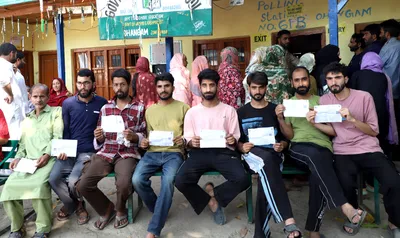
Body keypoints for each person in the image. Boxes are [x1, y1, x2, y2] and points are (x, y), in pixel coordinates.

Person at [276, 66, 366, 237]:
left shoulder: (324, 101)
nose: (301, 83)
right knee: (319, 160)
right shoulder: (289, 104)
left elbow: (334, 131)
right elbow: (290, 135)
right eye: (297, 80)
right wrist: (281, 119)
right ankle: (345, 207)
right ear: (291, 83)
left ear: (309, 80)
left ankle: (313, 230)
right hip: (299, 146)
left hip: (324, 146)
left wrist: (316, 120)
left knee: (319, 171)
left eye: (304, 79)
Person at [318, 62, 400, 237]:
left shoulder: (364, 97)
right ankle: (354, 215)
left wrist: (353, 119)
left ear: (346, 78)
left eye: (337, 77)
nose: (334, 82)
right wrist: (314, 122)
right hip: (342, 150)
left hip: (368, 147)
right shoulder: (324, 101)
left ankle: (395, 221)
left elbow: (373, 130)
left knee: (393, 181)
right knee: (344, 182)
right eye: (330, 79)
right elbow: (333, 131)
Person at [175, 69, 250, 225]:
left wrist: (232, 140)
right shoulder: (192, 112)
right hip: (199, 152)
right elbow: (188, 136)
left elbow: (235, 135)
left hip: (224, 152)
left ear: (217, 86)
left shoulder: (229, 110)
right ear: (200, 88)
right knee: (180, 180)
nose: (208, 89)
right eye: (204, 85)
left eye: (211, 85)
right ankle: (211, 202)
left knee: (243, 179)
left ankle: (213, 193)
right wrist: (190, 142)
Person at [76, 68, 146, 230]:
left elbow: (144, 134)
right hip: (107, 151)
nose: (119, 88)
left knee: (123, 183)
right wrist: (98, 136)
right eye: (116, 85)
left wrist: (135, 137)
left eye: (122, 84)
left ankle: (121, 209)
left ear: (129, 85)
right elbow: (99, 138)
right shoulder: (105, 108)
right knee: (83, 184)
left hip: (127, 153)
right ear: (112, 86)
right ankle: (106, 208)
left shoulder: (139, 108)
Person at [237, 72, 302, 238]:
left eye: (260, 87)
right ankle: (288, 220)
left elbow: (289, 137)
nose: (257, 91)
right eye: (254, 87)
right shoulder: (241, 112)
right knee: (266, 163)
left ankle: (261, 233)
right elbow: (236, 142)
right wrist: (241, 147)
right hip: (252, 155)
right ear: (249, 88)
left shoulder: (275, 109)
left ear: (266, 88)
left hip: (274, 155)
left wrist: (282, 143)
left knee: (266, 175)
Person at [0, 83, 63, 238]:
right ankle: (17, 227)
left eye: (42, 96)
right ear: (30, 97)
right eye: (35, 96)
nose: (38, 100)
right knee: (9, 187)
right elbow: (22, 144)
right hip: (27, 162)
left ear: (48, 97)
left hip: (48, 160)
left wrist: (47, 155)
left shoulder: (55, 112)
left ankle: (43, 228)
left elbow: (57, 137)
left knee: (39, 186)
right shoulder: (27, 119)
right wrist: (17, 157)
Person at [132, 72, 190, 238]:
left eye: (166, 86)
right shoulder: (150, 111)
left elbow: (189, 134)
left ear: (172, 87)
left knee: (168, 180)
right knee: (137, 180)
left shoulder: (184, 108)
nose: (163, 90)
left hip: (174, 153)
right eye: (160, 86)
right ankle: (160, 208)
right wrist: (144, 142)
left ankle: (154, 229)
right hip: (152, 153)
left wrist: (184, 140)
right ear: (155, 88)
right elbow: (147, 135)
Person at [49, 69, 108, 225]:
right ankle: (74, 205)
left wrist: (101, 139)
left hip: (89, 151)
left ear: (93, 84)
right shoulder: (67, 104)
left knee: (74, 180)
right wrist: (62, 149)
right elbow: (65, 129)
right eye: (80, 83)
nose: (83, 86)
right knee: (53, 178)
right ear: (76, 84)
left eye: (86, 82)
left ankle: (77, 207)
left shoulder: (102, 103)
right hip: (68, 151)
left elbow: (106, 130)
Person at [349, 52, 398, 156]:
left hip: (361, 115)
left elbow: (351, 95)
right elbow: (388, 100)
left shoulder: (357, 75)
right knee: (379, 142)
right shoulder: (384, 77)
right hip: (381, 114)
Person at [379, 19, 400, 154]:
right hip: (398, 90)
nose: (379, 35)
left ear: (387, 34)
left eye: (381, 32)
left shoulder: (389, 46)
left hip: (390, 90)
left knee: (390, 123)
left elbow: (378, 64)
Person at [0, 43, 24, 140]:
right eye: (15, 55)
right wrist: (10, 94)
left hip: (12, 107)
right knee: (12, 133)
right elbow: (3, 81)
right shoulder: (3, 65)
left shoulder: (7, 66)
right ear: (12, 53)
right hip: (9, 106)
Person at [13, 51, 29, 116]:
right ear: (18, 60)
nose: (24, 62)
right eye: (23, 60)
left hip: (24, 106)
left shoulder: (18, 72)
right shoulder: (12, 73)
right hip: (17, 108)